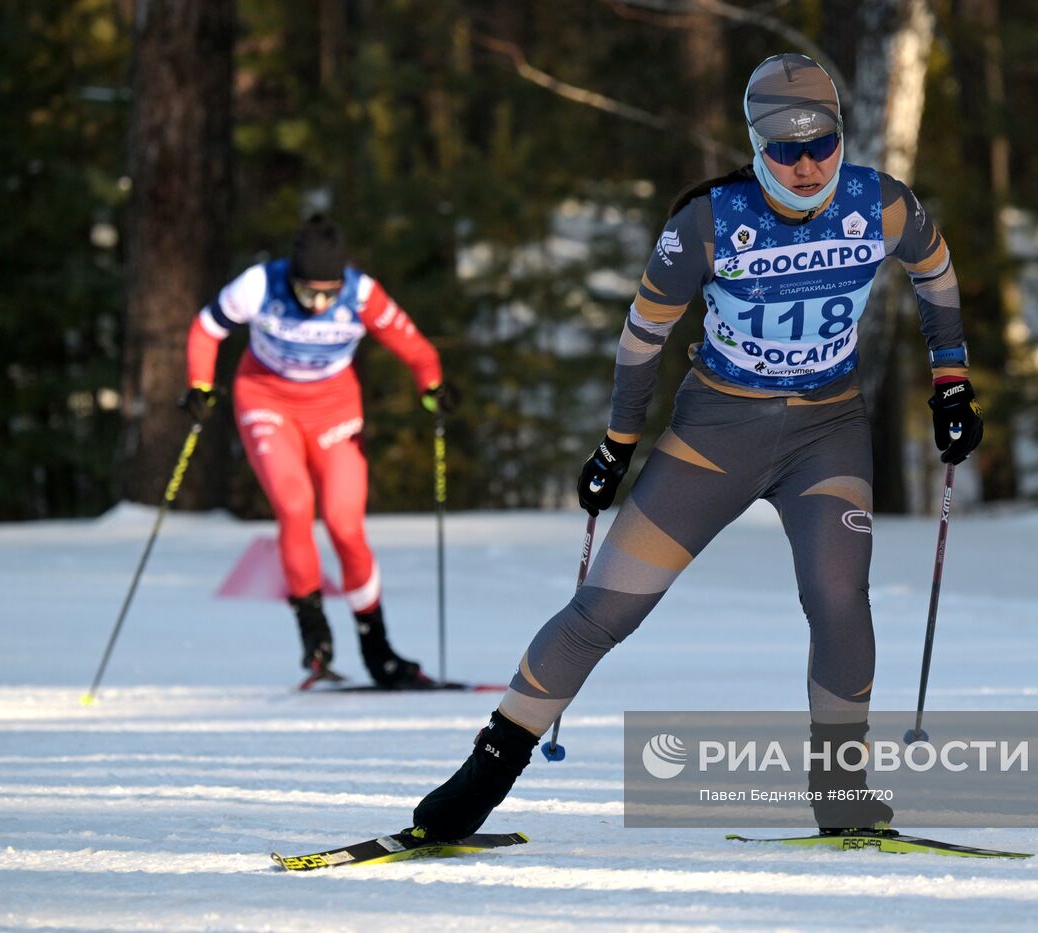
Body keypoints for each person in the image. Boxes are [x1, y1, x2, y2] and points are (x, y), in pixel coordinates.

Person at [408, 53, 984, 840]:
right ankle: (479, 782)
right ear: (755, 146)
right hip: (716, 436)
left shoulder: (882, 205)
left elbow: (937, 271)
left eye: (821, 142)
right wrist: (616, 444)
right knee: (604, 611)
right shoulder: (709, 222)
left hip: (827, 432)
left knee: (839, 600)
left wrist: (950, 381)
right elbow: (642, 339)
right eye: (785, 148)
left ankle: (843, 796)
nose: (807, 164)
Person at [181, 215, 457, 687]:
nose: (320, 303)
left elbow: (414, 348)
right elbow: (206, 329)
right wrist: (201, 385)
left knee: (345, 525)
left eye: (329, 293)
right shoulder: (259, 284)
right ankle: (315, 637)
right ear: (293, 278)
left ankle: (378, 648)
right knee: (293, 506)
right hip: (266, 399)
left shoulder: (362, 293)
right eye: (310, 293)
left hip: (333, 407)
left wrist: (432, 386)